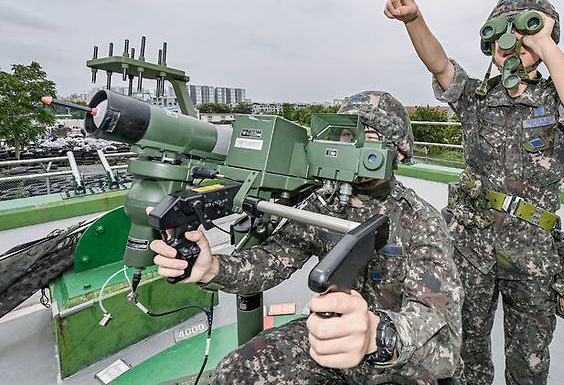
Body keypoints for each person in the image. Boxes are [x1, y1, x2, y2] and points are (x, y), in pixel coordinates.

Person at [383, 0, 564, 385]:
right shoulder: (477, 99)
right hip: (472, 248)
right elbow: (440, 65)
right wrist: (414, 19)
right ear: (490, 45)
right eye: (503, 37)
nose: (512, 45)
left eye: (522, 34)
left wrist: (541, 40)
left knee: (529, 362)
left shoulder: (556, 97)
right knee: (467, 356)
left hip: (534, 254)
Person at [150, 91, 464, 384]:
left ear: (398, 153)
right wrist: (213, 269)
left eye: (369, 138)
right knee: (235, 372)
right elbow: (274, 259)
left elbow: (441, 334)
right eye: (347, 135)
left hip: (395, 358)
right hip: (325, 340)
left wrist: (376, 335)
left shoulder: (421, 221)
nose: (352, 147)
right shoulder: (321, 203)